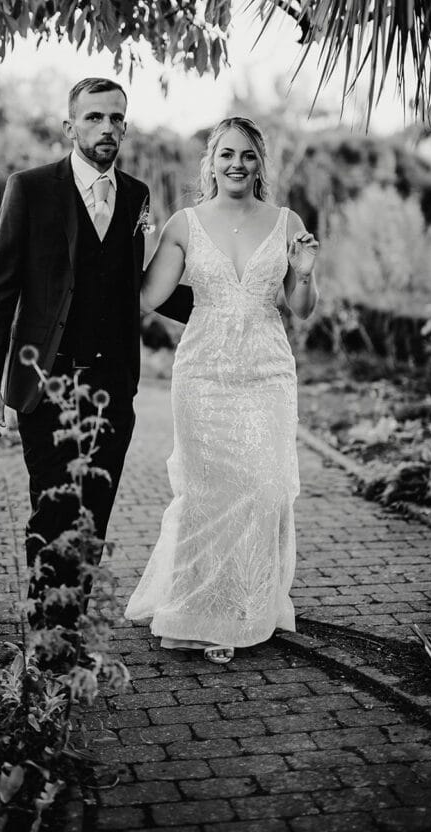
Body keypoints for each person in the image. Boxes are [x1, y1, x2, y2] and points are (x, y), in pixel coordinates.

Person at [0, 77, 190, 634]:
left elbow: (137, 284)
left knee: (94, 511)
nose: (107, 128)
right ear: (70, 127)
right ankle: (49, 638)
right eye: (94, 118)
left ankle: (70, 626)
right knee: (52, 509)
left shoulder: (136, 195)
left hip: (112, 385)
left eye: (117, 117)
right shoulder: (31, 188)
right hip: (45, 381)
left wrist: (228, 299)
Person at [125, 116, 319, 664]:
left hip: (267, 372)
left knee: (265, 488)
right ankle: (198, 609)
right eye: (227, 154)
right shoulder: (184, 224)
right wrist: (128, 245)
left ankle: (251, 604)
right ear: (210, 162)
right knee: (208, 494)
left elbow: (300, 310)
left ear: (260, 165)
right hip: (204, 376)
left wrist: (303, 270)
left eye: (249, 156)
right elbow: (147, 297)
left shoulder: (285, 221)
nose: (237, 164)